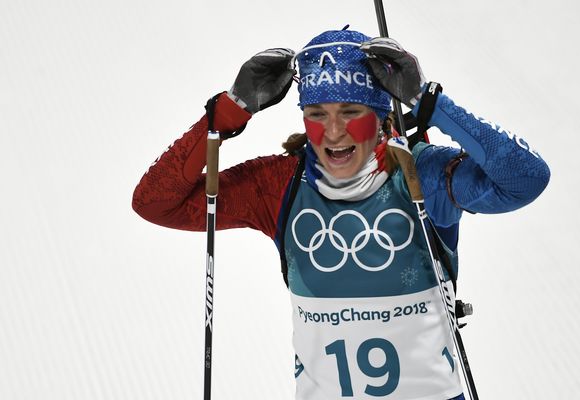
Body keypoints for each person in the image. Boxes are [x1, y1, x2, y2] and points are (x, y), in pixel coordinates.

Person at [132, 27, 550, 400]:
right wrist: (227, 113)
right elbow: (156, 203)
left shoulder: (421, 173)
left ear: (383, 116)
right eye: (317, 115)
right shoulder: (279, 184)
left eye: (352, 113)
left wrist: (430, 104)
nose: (333, 132)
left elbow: (525, 179)